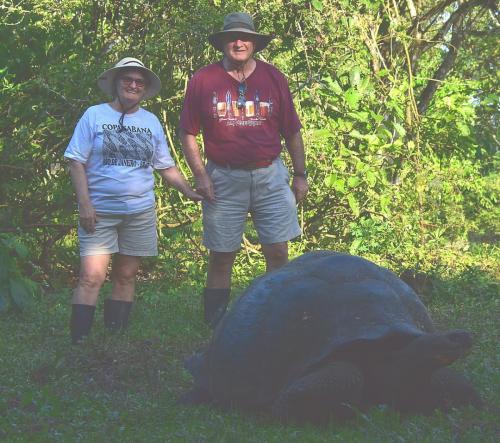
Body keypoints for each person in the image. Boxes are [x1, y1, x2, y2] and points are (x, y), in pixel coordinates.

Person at [179, 12, 308, 326]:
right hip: (223, 176)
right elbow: (187, 132)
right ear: (223, 42)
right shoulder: (204, 80)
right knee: (222, 255)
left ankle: (274, 322)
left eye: (245, 38)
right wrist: (200, 175)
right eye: (232, 38)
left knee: (278, 252)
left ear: (254, 43)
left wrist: (301, 174)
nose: (239, 43)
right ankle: (214, 326)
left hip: (270, 175)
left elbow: (292, 130)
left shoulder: (274, 77)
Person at [65, 57, 202, 344]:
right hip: (99, 212)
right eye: (127, 79)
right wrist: (85, 204)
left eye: (139, 81)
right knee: (92, 277)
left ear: (145, 88)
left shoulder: (150, 121)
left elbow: (165, 166)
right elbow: (75, 162)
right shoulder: (94, 115)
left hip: (139, 212)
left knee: (126, 276)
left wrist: (187, 190)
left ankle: (115, 339)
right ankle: (79, 343)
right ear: (116, 83)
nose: (133, 84)